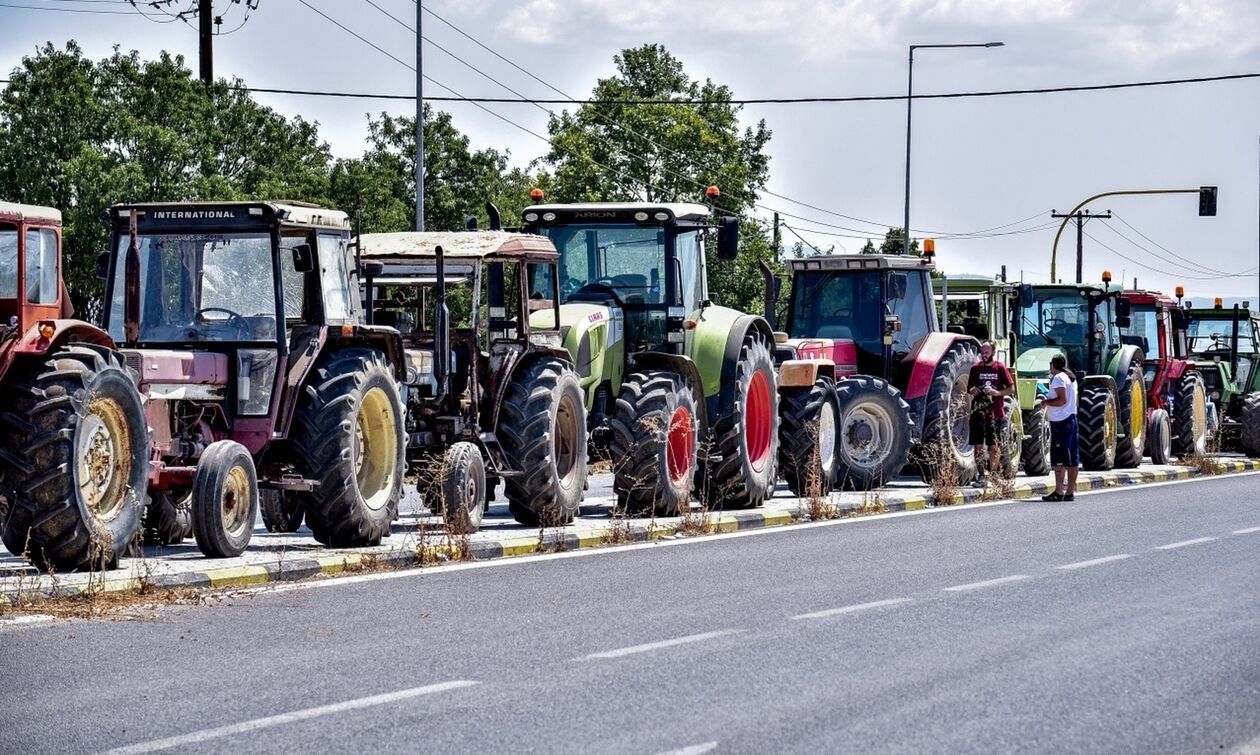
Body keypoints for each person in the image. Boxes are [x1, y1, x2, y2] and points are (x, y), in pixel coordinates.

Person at [968, 340, 1015, 487]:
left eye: (987, 352)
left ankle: (993, 474)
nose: (984, 355)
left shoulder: (1000, 368)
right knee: (978, 445)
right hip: (978, 412)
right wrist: (972, 390)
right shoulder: (975, 368)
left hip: (995, 412)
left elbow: (1011, 389)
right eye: (982, 352)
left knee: (994, 445)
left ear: (993, 352)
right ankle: (981, 475)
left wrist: (997, 393)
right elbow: (969, 386)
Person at [1041, 353, 1079, 501]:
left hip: (1061, 420)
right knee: (1072, 458)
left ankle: (1058, 491)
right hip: (1071, 418)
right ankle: (1069, 492)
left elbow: (1061, 400)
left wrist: (1046, 402)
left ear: (1053, 365)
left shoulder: (1058, 378)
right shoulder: (1071, 377)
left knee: (1060, 458)